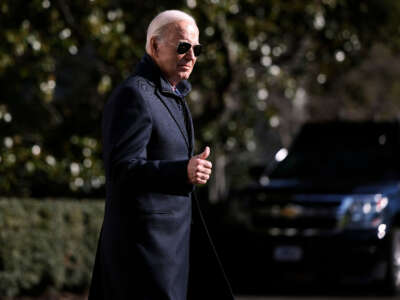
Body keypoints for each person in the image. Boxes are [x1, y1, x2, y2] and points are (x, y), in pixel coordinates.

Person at [88, 10, 234, 300]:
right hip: (144, 254)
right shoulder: (134, 95)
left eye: (197, 49)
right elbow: (122, 170)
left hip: (173, 249)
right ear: (154, 46)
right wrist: (183, 171)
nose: (191, 56)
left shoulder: (171, 95)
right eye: (182, 47)